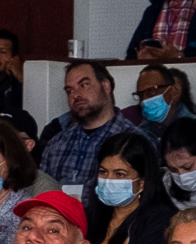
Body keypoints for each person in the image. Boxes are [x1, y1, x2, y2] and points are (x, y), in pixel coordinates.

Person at [39, 59, 135, 197]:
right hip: (60, 217)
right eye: (69, 90)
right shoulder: (57, 143)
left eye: (84, 85)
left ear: (106, 86)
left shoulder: (134, 139)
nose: (75, 95)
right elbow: (43, 197)